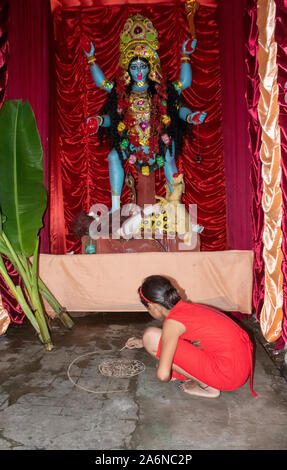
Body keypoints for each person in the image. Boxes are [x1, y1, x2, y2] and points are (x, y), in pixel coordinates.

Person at [82, 14, 206, 213]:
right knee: (114, 156)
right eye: (134, 67)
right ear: (128, 69)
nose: (138, 70)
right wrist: (97, 120)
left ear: (150, 67)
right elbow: (108, 103)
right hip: (130, 143)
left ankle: (177, 208)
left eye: (142, 66)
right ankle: (115, 208)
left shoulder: (162, 89)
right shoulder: (122, 92)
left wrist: (191, 116)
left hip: (158, 140)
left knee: (169, 153)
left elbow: (183, 87)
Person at [125, 275, 258, 398]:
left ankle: (207, 387)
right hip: (240, 367)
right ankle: (204, 379)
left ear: (152, 307)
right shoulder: (187, 308)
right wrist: (142, 342)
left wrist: (163, 363)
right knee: (154, 341)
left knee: (150, 337)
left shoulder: (173, 323)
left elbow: (163, 375)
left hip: (228, 376)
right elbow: (183, 335)